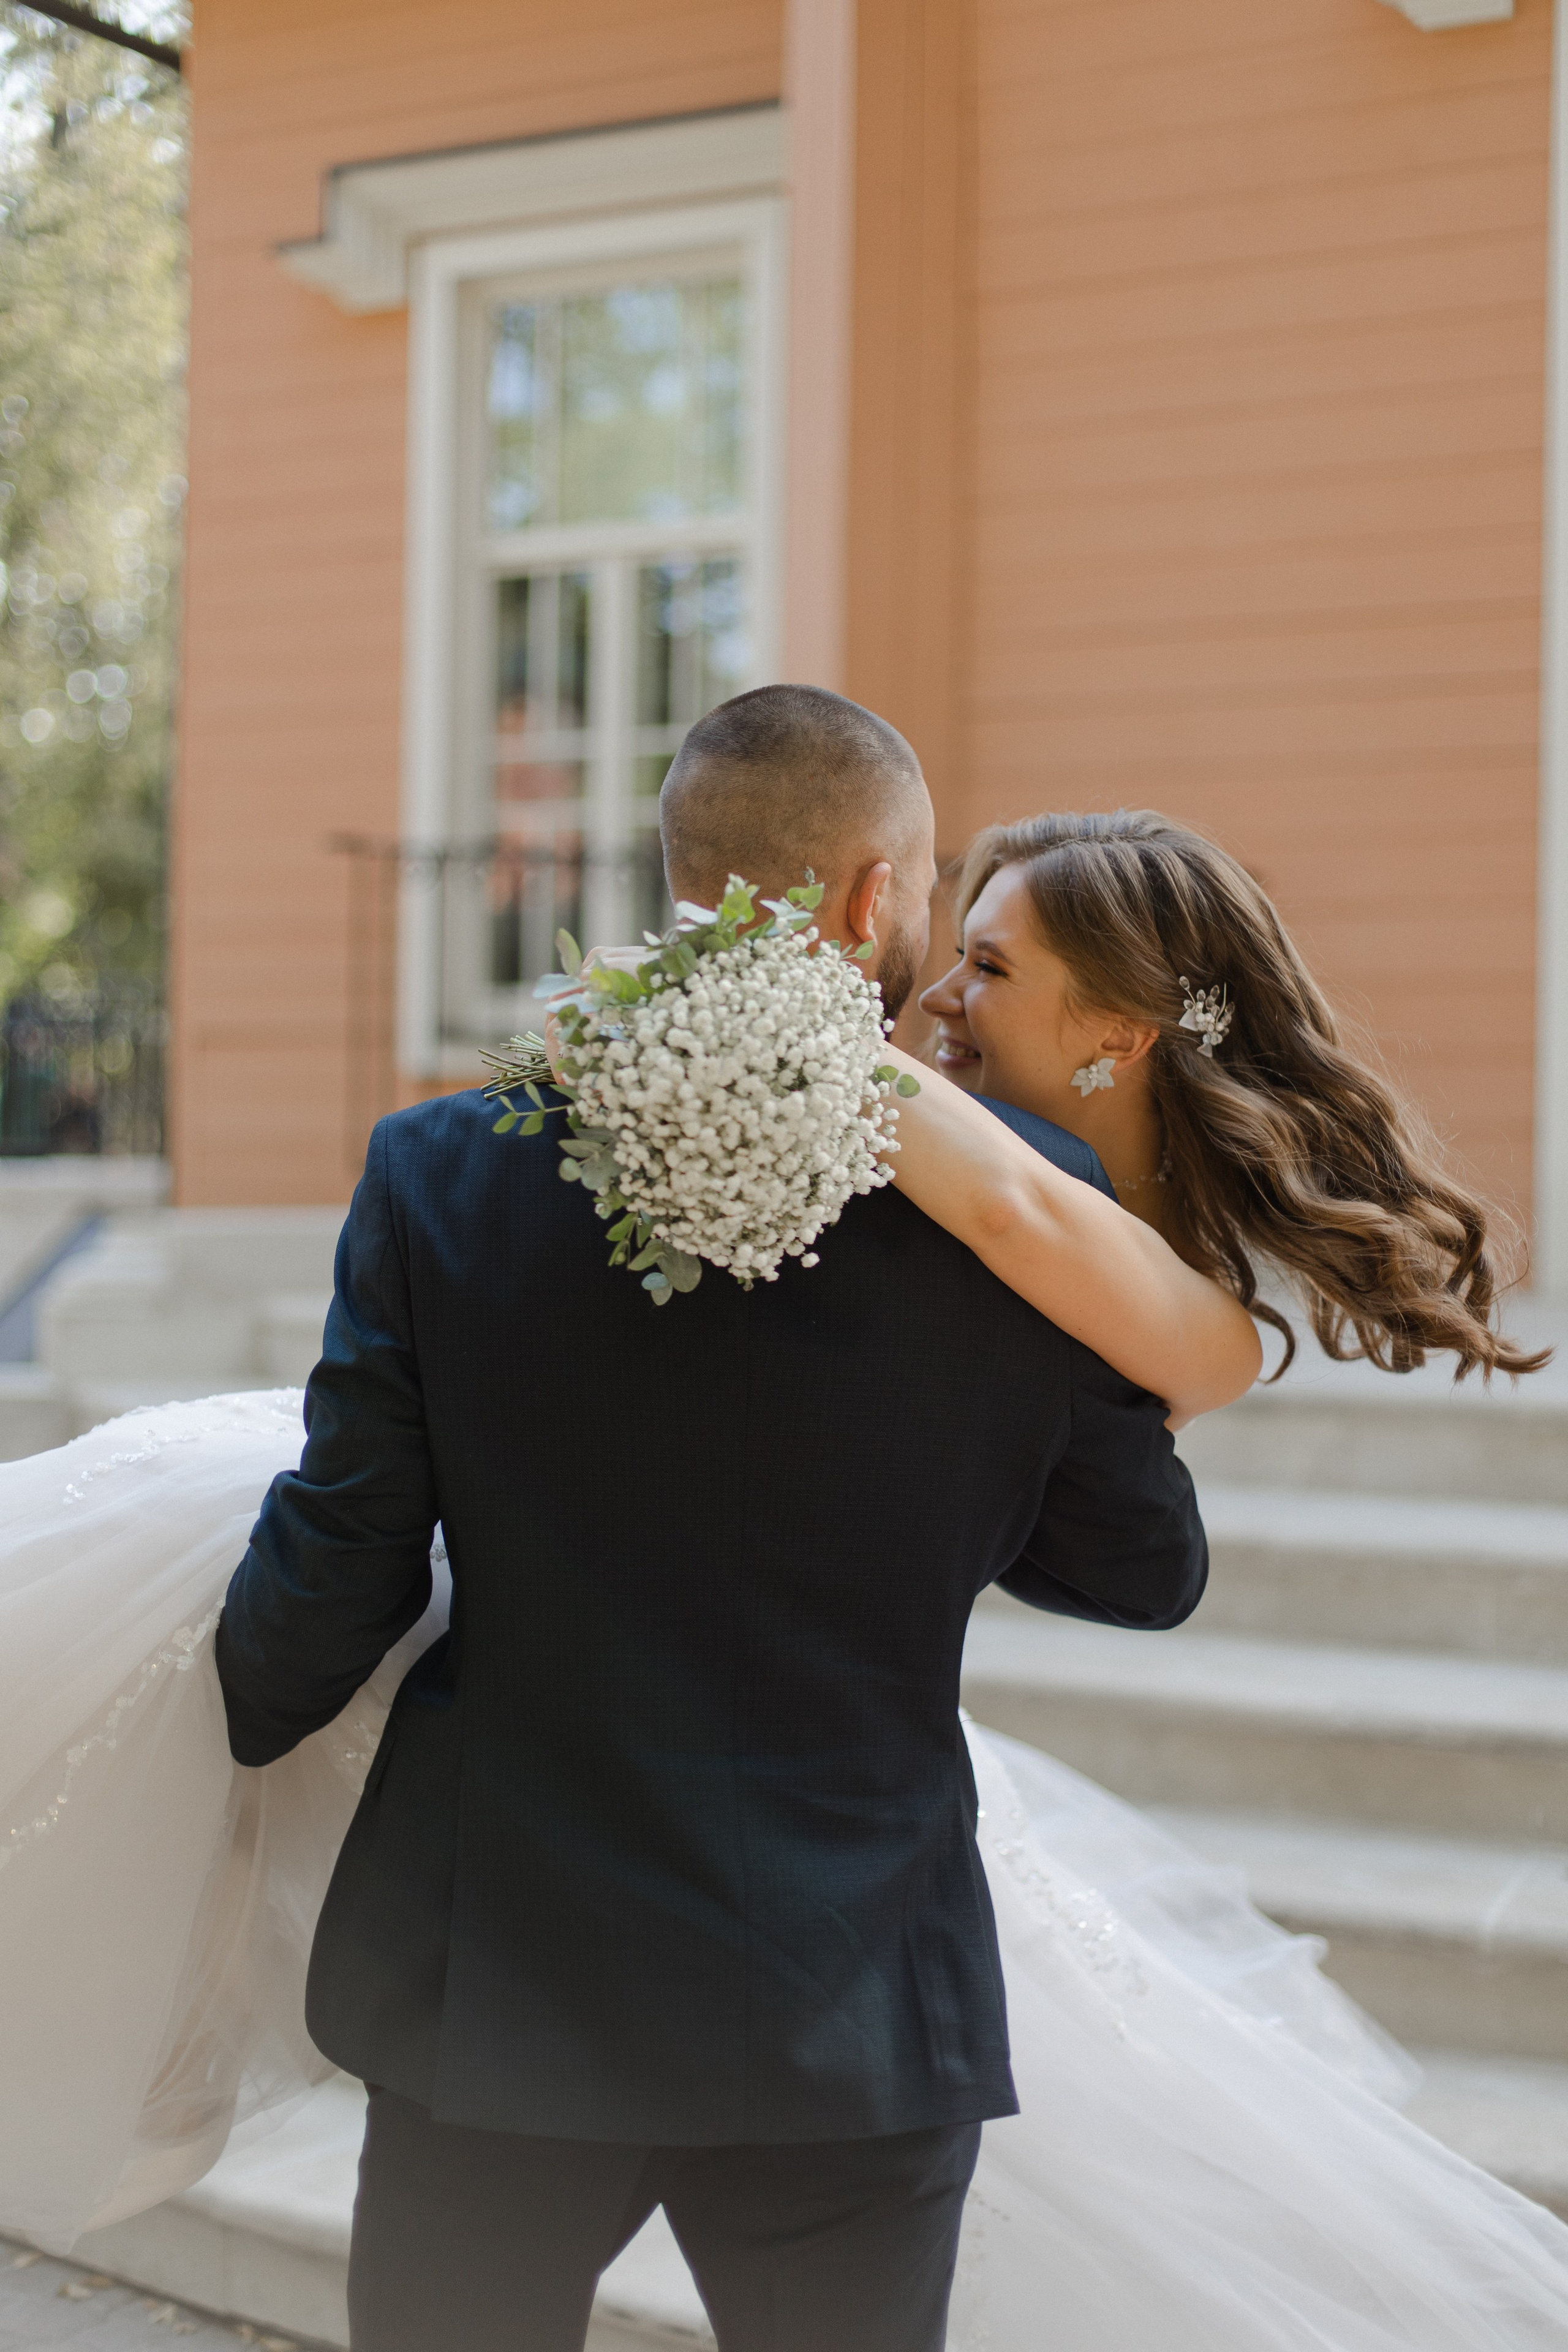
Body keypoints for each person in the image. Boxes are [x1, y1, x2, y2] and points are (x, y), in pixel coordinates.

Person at [0, 698, 1556, 2352]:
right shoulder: (1026, 1226)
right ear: (876, 901)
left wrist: (232, 1708)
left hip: (506, 1985)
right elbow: (1132, 1571)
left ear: (679, 870)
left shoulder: (442, 1172)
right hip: (858, 1999)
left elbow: (329, 1585)